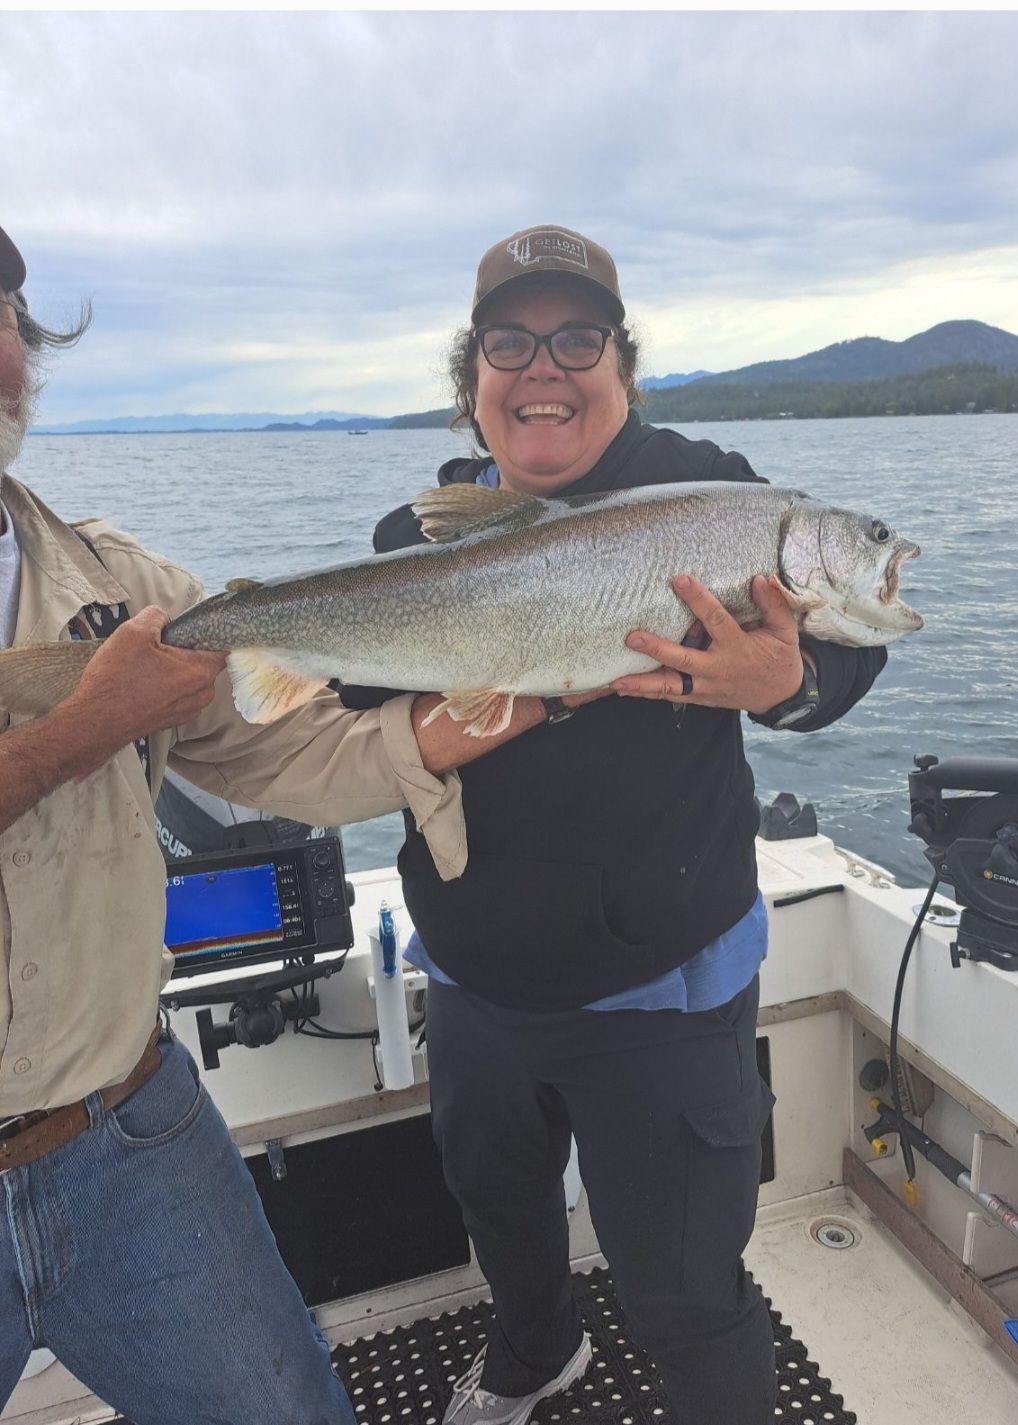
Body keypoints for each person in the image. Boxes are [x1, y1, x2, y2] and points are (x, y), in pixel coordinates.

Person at [0, 220, 556, 1425]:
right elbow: (104, 725)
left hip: (125, 1127)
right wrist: (84, 729)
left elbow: (279, 751)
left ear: (25, 350)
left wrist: (448, 729)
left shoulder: (127, 593)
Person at [339, 225, 888, 1425]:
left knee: (686, 1287)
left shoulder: (715, 494)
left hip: (664, 991)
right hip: (474, 978)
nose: (543, 369)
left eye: (577, 340)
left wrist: (785, 683)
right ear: (472, 380)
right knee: (503, 1219)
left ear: (624, 367)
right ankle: (537, 1352)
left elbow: (846, 652)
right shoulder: (418, 537)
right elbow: (354, 719)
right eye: (509, 343)